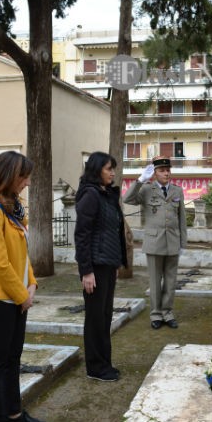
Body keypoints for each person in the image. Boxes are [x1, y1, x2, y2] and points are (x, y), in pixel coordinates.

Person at [0, 151, 42, 422]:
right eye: (23, 177)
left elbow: (21, 254)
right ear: (10, 175)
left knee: (13, 359)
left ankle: (13, 414)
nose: (26, 183)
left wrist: (32, 283)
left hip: (16, 297)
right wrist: (21, 294)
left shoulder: (12, 208)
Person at [74, 151, 128, 382]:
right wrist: (86, 270)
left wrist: (116, 262)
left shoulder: (107, 195)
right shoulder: (91, 196)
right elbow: (82, 235)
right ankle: (95, 367)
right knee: (95, 318)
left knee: (105, 317)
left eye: (113, 168)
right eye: (109, 169)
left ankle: (105, 363)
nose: (113, 172)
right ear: (97, 170)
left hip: (107, 264)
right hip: (94, 266)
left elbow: (113, 231)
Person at [123, 155, 187, 329]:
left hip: (173, 242)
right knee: (155, 282)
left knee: (171, 281)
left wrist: (183, 243)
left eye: (168, 170)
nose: (166, 173)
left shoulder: (177, 191)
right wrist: (140, 180)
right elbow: (127, 199)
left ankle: (168, 312)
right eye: (162, 170)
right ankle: (156, 314)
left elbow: (182, 218)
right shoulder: (146, 190)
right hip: (154, 242)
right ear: (155, 173)